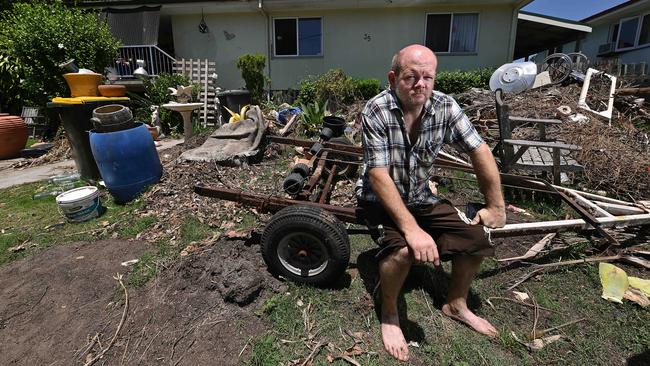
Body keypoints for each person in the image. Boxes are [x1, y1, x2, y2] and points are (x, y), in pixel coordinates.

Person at [355, 44, 506, 362]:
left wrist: (495, 206)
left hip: (421, 196)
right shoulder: (377, 109)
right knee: (403, 252)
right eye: (411, 77)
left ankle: (456, 304)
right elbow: (378, 175)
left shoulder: (445, 107)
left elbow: (479, 149)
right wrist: (412, 230)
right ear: (393, 78)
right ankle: (390, 312)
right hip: (378, 198)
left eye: (428, 77)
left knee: (477, 238)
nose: (420, 84)